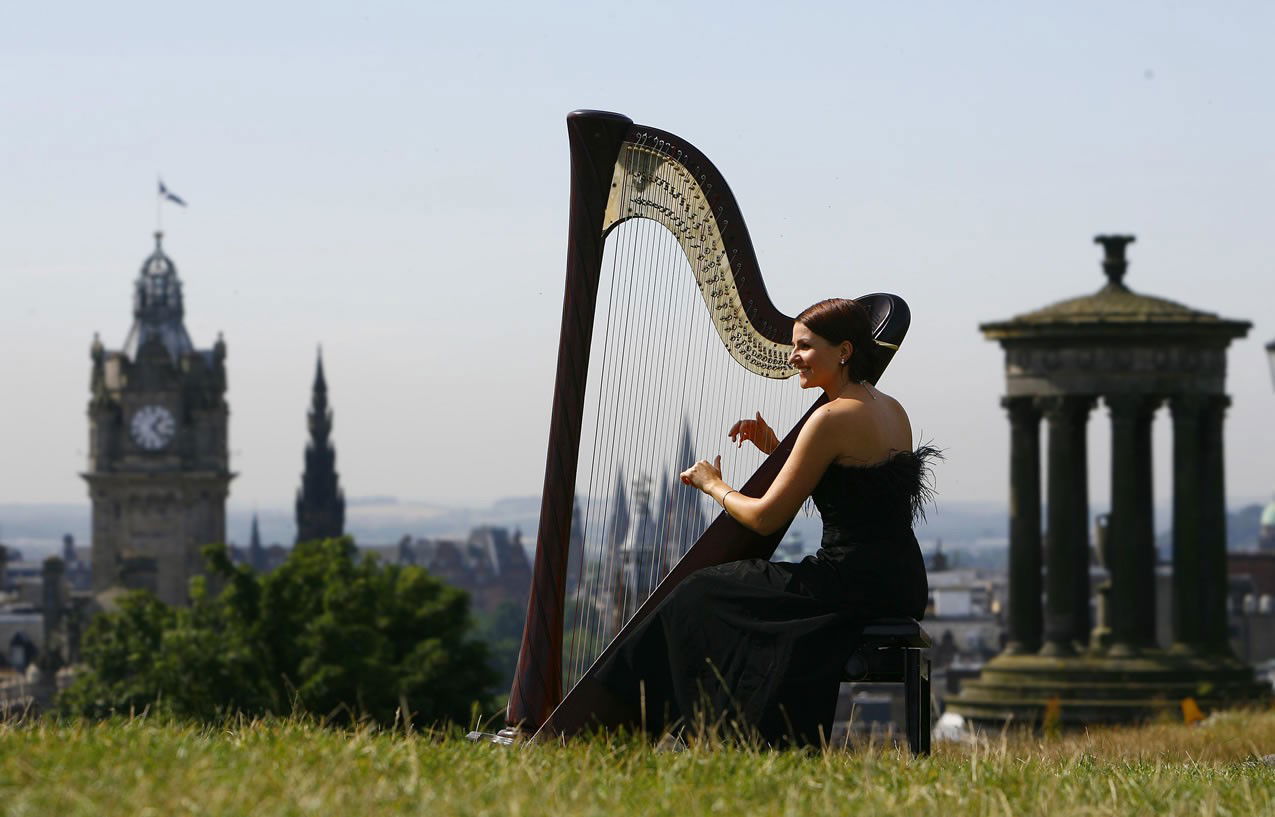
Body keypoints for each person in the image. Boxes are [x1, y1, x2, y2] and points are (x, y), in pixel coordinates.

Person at [591, 297, 936, 746]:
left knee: (700, 592)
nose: (793, 358)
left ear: (845, 351)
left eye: (805, 347)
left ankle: (648, 726)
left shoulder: (828, 418)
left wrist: (713, 484)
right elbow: (853, 490)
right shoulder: (891, 408)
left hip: (849, 582)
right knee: (731, 594)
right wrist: (777, 447)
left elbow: (765, 517)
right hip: (901, 581)